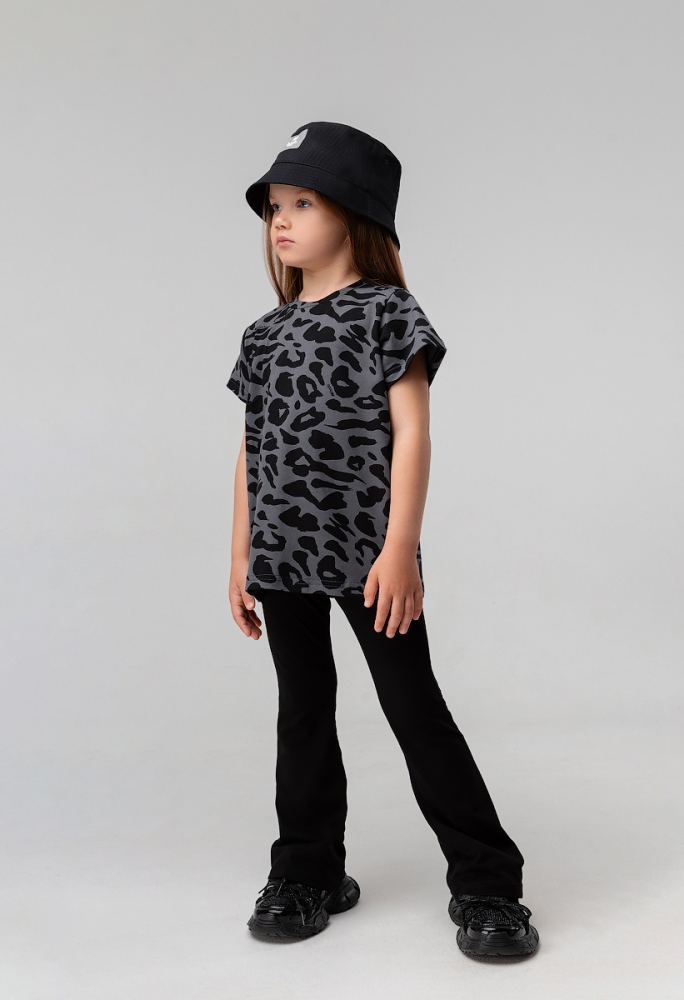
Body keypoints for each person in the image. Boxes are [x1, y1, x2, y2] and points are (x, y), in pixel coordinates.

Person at [226, 121, 539, 958]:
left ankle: (488, 885)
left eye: (302, 202)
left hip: (369, 556)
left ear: (354, 214)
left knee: (414, 711)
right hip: (280, 557)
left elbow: (413, 433)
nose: (281, 220)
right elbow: (250, 449)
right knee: (301, 713)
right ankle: (307, 872)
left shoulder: (387, 313)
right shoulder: (263, 333)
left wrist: (400, 547)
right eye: (274, 206)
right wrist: (239, 558)